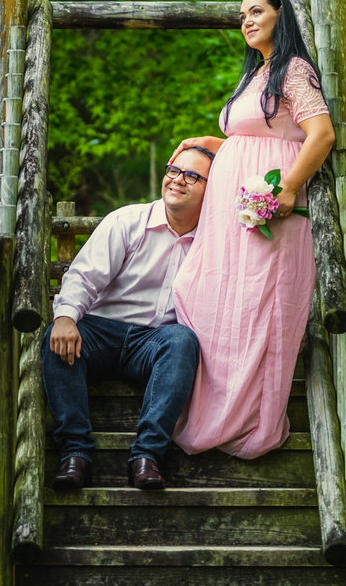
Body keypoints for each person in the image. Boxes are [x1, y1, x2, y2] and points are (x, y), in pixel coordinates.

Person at [166, 0, 335, 460]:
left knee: (259, 309)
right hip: (230, 216)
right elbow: (251, 138)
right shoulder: (256, 74)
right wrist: (206, 141)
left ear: (282, 16)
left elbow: (320, 135)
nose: (246, 20)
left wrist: (286, 189)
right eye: (242, 15)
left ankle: (250, 423)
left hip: (270, 213)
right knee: (208, 296)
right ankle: (213, 410)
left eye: (257, 11)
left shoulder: (294, 69)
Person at [42, 146, 212, 490]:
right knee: (54, 338)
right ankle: (75, 455)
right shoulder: (128, 221)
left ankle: (146, 456)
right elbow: (85, 276)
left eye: (191, 175)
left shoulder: (213, 241)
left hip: (154, 343)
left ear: (212, 188)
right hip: (99, 333)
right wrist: (65, 316)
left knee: (182, 341)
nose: (177, 179)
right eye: (173, 169)